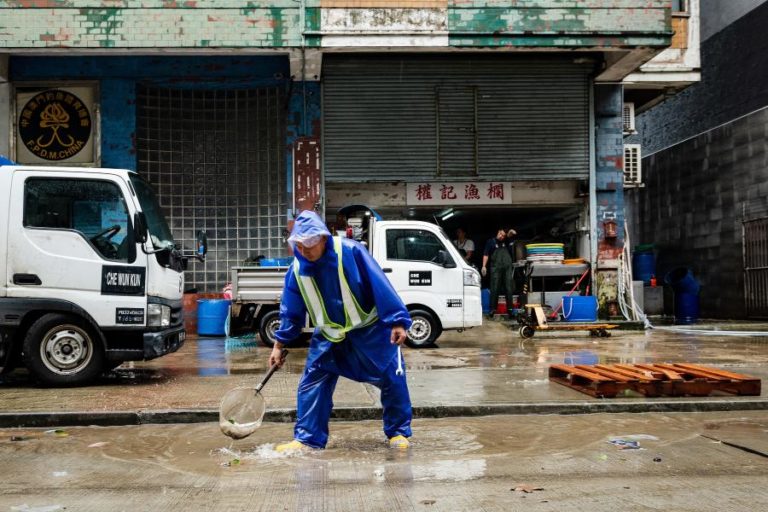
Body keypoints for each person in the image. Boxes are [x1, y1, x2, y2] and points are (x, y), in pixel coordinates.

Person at [269, 210, 413, 452]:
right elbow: (290, 310)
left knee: (392, 378)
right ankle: (307, 438)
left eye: (308, 245)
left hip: (370, 331)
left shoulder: (351, 252)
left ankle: (398, 432)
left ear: (323, 238)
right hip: (329, 336)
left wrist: (397, 321)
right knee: (312, 384)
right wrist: (278, 345)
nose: (304, 251)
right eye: (298, 246)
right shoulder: (295, 270)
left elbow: (380, 284)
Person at [482, 228, 516, 318]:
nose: (501, 237)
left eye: (503, 235)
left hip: (507, 268)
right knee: (494, 287)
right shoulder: (491, 242)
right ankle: (492, 309)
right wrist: (483, 266)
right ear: (498, 232)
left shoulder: (507, 241)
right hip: (496, 268)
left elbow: (509, 236)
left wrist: (510, 233)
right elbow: (486, 254)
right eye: (500, 234)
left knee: (508, 287)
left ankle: (510, 310)